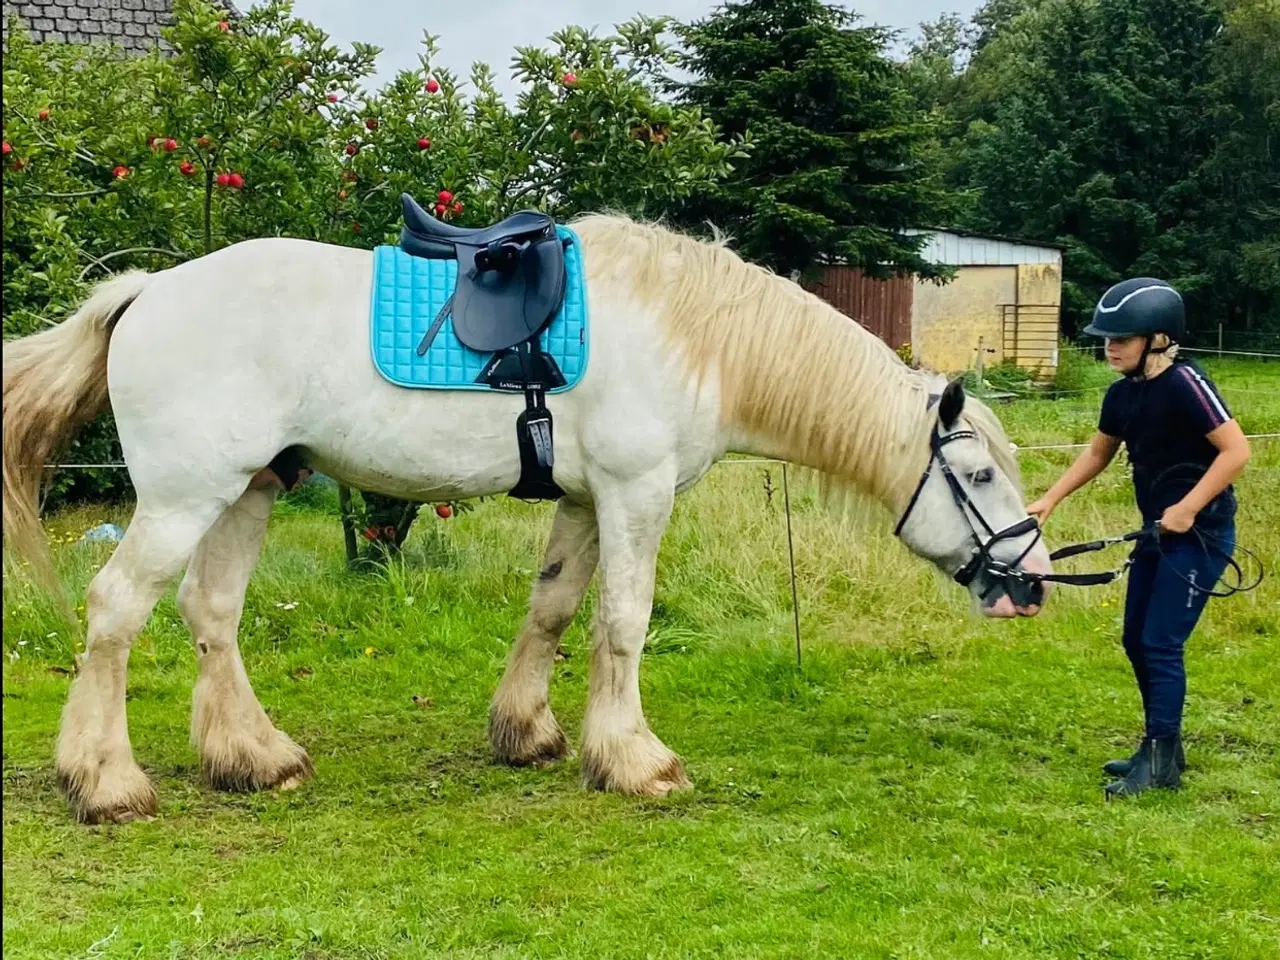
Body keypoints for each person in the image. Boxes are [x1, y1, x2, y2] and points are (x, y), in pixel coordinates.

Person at [1026, 278, 1251, 798]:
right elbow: (1098, 453)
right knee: (1135, 640)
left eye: (1121, 338)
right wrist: (1051, 497)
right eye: (1106, 337)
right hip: (1156, 535)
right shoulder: (1122, 393)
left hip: (1201, 535)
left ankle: (1160, 761)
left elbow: (1235, 452)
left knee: (1160, 643)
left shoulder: (1187, 384)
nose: (1109, 346)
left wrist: (1190, 508)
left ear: (1159, 339)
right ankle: (1161, 747)